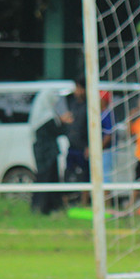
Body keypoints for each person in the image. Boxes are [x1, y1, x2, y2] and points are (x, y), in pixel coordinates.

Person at [28, 86, 67, 215]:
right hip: (47, 154)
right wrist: (64, 122)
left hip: (43, 153)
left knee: (46, 178)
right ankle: (43, 207)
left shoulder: (39, 117)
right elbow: (57, 131)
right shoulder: (47, 117)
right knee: (47, 178)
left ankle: (47, 206)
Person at [60, 75, 90, 206]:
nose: (76, 91)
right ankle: (66, 203)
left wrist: (89, 146)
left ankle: (84, 202)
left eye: (78, 88)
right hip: (72, 146)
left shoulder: (89, 105)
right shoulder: (72, 103)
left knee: (85, 175)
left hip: (83, 147)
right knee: (68, 173)